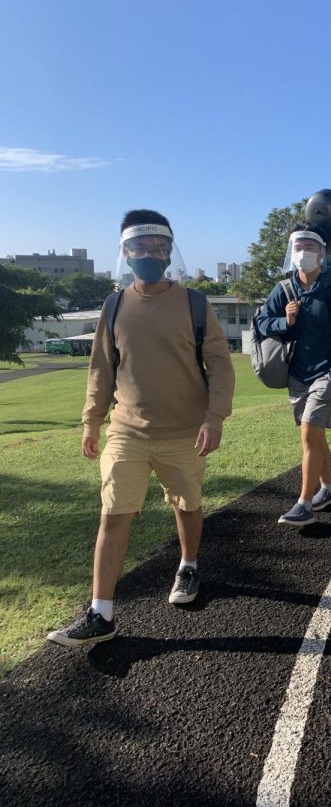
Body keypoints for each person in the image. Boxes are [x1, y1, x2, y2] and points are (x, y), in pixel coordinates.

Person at [48, 209, 235, 647]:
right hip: (126, 430)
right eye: (142, 248)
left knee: (186, 505)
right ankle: (101, 613)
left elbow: (221, 365)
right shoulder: (114, 306)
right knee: (113, 514)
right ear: (126, 252)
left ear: (169, 251)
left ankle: (188, 565)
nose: (151, 255)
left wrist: (214, 417)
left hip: (186, 431)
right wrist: (91, 420)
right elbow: (101, 369)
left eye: (159, 248)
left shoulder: (194, 303)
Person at [256, 223, 331, 527]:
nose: (303, 253)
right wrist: (285, 322)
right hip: (297, 375)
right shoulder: (284, 290)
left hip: (326, 374)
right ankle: (326, 490)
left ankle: (303, 503)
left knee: (308, 433)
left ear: (322, 252)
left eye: (309, 247)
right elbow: (261, 323)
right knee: (314, 435)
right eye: (297, 247)